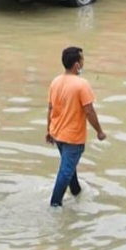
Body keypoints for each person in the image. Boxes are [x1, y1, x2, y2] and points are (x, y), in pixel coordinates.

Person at [46, 46, 106, 207]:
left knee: (69, 166)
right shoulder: (81, 85)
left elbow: (50, 108)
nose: (83, 62)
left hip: (57, 134)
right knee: (65, 172)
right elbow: (89, 110)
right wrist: (99, 131)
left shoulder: (55, 82)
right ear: (77, 64)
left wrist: (48, 130)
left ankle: (76, 191)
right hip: (73, 138)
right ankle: (55, 204)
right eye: (82, 60)